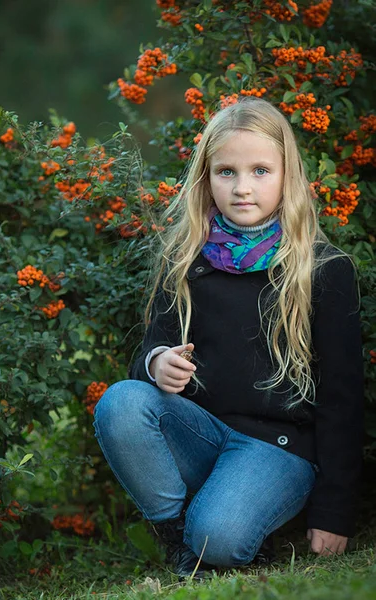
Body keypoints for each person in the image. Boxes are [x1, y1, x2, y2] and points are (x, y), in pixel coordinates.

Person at [93, 97, 364, 578]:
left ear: (287, 176)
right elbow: (145, 363)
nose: (242, 188)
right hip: (201, 436)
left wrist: (334, 513)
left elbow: (343, 398)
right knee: (121, 403)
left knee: (220, 534)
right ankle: (181, 538)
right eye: (226, 172)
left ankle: (217, 534)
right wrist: (157, 364)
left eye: (260, 170)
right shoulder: (185, 263)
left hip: (279, 450)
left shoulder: (322, 270)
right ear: (206, 178)